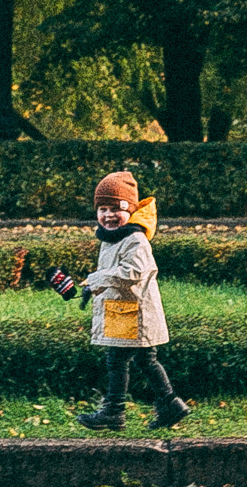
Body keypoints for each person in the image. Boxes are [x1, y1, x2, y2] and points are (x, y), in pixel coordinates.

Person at [52, 170, 191, 432]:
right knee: (144, 360)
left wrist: (97, 279)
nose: (108, 215)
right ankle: (170, 404)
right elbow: (115, 275)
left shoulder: (135, 238)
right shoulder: (113, 237)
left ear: (130, 210)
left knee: (117, 360)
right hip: (124, 311)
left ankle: (114, 411)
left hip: (134, 314)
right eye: (102, 209)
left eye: (116, 209)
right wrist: (92, 287)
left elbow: (132, 273)